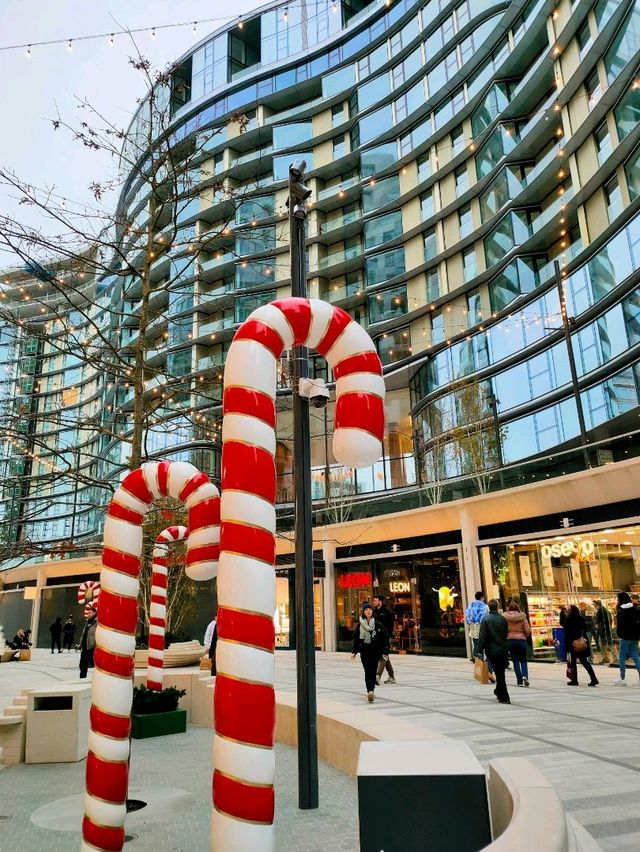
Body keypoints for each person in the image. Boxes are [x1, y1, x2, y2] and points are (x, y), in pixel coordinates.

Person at [478, 600, 511, 704]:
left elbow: (482, 636)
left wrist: (480, 650)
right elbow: (506, 633)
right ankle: (499, 691)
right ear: (497, 607)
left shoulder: (486, 619)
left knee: (499, 673)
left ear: (489, 607)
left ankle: (504, 696)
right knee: (501, 672)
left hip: (492, 650)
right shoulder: (503, 619)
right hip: (503, 649)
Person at [351, 602, 383, 703]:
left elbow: (384, 637)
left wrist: (385, 651)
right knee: (367, 671)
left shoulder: (377, 624)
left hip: (375, 651)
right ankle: (370, 691)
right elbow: (356, 639)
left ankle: (371, 690)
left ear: (372, 611)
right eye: (366, 610)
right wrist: (354, 651)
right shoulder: (360, 625)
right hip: (364, 651)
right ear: (363, 612)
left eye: (370, 609)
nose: (368, 611)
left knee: (373, 671)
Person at [561, 604, 598, 687]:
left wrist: (562, 614)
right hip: (581, 642)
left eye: (568, 610)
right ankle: (593, 678)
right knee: (585, 662)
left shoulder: (568, 620)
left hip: (572, 644)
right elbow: (584, 629)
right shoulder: (581, 618)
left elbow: (566, 630)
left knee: (573, 662)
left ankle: (574, 680)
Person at [465, 591, 495, 684]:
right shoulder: (485, 607)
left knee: (479, 652)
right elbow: (488, 619)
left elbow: (467, 618)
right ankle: (489, 671)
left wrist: (471, 625)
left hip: (474, 632)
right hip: (483, 632)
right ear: (482, 597)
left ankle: (482, 672)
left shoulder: (470, 606)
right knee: (488, 651)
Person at [613, 592, 640, 686]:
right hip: (635, 636)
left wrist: (619, 634)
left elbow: (620, 625)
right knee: (636, 656)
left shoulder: (621, 610)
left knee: (622, 657)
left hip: (625, 637)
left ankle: (622, 678)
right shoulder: (635, 609)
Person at [504, 602, 531, 687]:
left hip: (510, 641)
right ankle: (524, 676)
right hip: (521, 640)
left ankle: (519, 681)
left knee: (515, 661)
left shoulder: (505, 618)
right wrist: (523, 636)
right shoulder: (522, 618)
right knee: (523, 660)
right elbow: (528, 630)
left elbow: (503, 629)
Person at [373, 596, 395, 684]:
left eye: (375, 600)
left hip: (385, 638)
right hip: (377, 638)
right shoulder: (374, 612)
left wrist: (388, 636)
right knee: (385, 657)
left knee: (383, 656)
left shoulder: (387, 612)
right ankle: (392, 676)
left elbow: (391, 625)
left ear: (380, 601)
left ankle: (378, 676)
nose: (374, 602)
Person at [594, 600, 617, 665]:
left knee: (609, 645)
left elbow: (607, 622)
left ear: (598, 605)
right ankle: (605, 658)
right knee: (602, 645)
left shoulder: (603, 612)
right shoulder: (600, 611)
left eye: (595, 605)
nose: (595, 607)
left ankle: (615, 658)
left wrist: (600, 626)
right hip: (603, 631)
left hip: (605, 631)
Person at [79, 608, 97, 678]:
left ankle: (97, 679)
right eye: (88, 612)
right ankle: (82, 678)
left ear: (94, 613)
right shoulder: (87, 621)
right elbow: (84, 633)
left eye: (90, 612)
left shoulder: (97, 622)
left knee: (94, 664)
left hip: (92, 646)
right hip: (85, 646)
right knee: (82, 664)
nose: (88, 614)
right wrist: (80, 643)